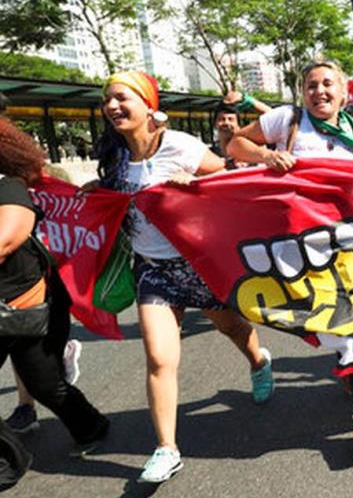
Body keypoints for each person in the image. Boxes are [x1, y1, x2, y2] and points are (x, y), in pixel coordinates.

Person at [87, 71, 275, 483]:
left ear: (146, 103)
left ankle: (259, 363)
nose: (112, 106)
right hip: (152, 271)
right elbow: (115, 197)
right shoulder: (114, 154)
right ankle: (166, 449)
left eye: (121, 98)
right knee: (158, 357)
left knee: (232, 329)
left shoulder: (179, 146)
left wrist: (195, 186)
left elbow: (229, 178)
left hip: (197, 263)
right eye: (108, 101)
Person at [228, 59, 353, 447]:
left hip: (352, 243)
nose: (319, 92)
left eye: (328, 84)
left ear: (344, 93)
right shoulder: (287, 119)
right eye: (311, 85)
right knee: (343, 327)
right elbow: (235, 144)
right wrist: (268, 157)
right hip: (302, 248)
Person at [0, 116, 110, 458]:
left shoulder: (9, 187)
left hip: (28, 307)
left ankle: (90, 427)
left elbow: (6, 239)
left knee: (46, 384)